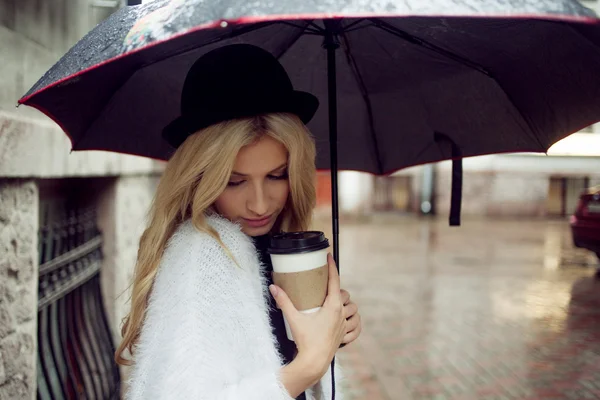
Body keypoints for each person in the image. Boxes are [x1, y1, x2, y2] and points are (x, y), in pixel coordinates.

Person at [115, 44, 362, 400]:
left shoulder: (272, 246)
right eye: (234, 181)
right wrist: (307, 366)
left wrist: (330, 328)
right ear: (200, 178)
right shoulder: (201, 256)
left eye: (277, 176)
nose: (260, 204)